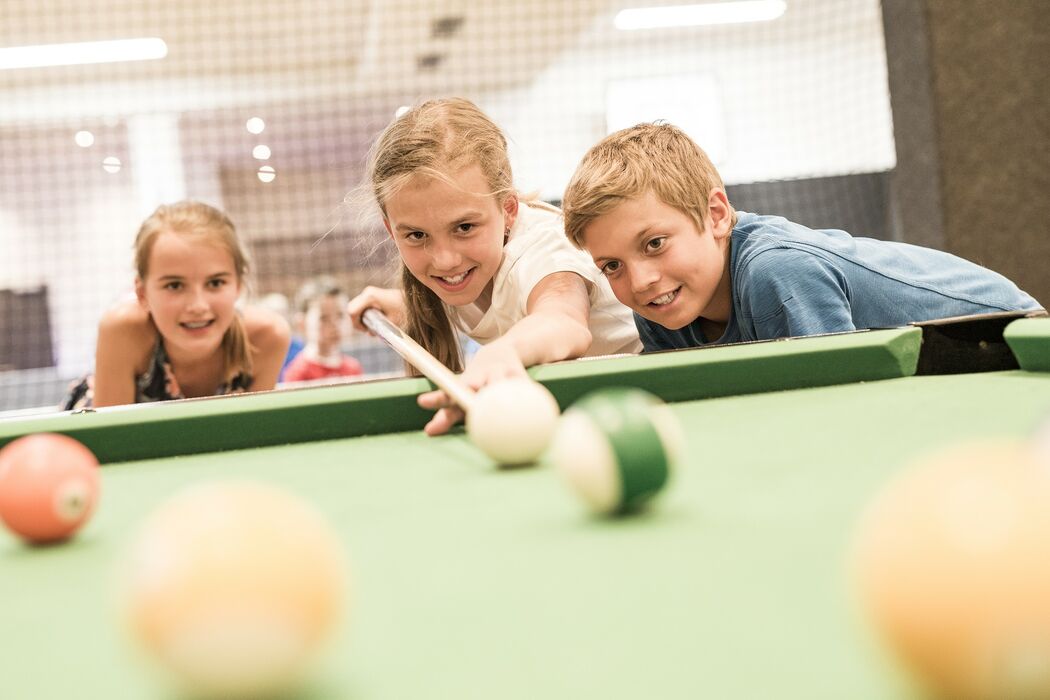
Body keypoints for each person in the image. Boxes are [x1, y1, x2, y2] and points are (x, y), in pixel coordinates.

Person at [561, 123, 1044, 352]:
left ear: (715, 215)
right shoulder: (660, 309)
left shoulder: (778, 270)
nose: (640, 281)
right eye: (612, 266)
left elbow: (833, 405)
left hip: (1008, 337)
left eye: (654, 244)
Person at [346, 98, 641, 435]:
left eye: (464, 228)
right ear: (391, 230)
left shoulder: (543, 248)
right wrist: (398, 303)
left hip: (644, 396)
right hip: (579, 412)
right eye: (416, 234)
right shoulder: (457, 273)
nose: (445, 260)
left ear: (509, 209)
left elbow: (562, 319)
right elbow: (473, 299)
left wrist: (504, 351)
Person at [64, 201, 290, 409]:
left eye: (215, 283)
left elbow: (250, 435)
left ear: (238, 285)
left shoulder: (267, 337)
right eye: (174, 286)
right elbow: (110, 440)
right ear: (142, 293)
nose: (198, 305)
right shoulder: (123, 330)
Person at [282, 277, 363, 383]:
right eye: (323, 318)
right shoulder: (298, 373)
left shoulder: (353, 368)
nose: (335, 325)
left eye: (340, 315)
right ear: (302, 324)